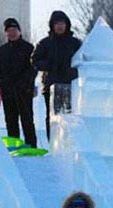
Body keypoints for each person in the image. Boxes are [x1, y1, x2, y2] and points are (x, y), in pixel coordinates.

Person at [32, 10, 82, 139]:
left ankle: (68, 142)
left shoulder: (75, 43)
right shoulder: (45, 43)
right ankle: (53, 142)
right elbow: (34, 60)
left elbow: (83, 59)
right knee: (52, 115)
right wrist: (49, 65)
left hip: (70, 84)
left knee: (69, 115)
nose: (60, 26)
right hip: (51, 84)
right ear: (52, 26)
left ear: (67, 25)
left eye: (62, 23)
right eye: (57, 23)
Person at [0, 18, 37, 147]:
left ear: (19, 31)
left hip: (24, 91)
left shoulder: (28, 48)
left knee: (27, 119)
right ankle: (14, 145)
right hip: (7, 91)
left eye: (14, 30)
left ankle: (31, 145)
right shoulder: (2, 50)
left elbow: (33, 68)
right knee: (11, 121)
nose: (12, 33)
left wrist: (26, 82)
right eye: (9, 31)